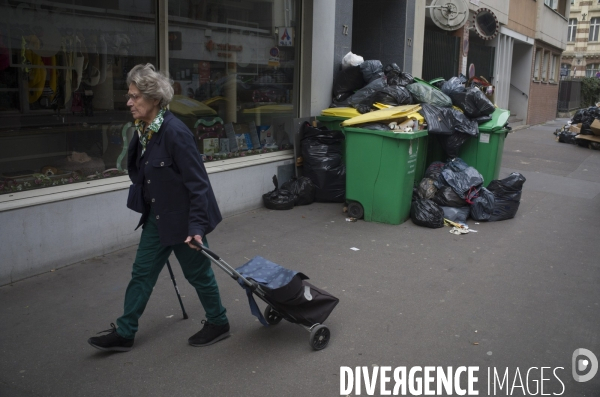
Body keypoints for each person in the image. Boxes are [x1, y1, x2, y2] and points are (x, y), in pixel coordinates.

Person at [88, 63, 229, 352]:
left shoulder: (175, 133)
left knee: (198, 274)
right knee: (141, 272)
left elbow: (199, 185)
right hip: (157, 217)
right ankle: (125, 332)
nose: (129, 102)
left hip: (184, 221)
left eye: (135, 96)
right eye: (129, 96)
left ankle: (218, 321)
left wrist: (197, 228)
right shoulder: (142, 131)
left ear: (154, 98)